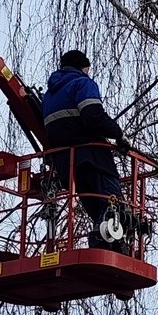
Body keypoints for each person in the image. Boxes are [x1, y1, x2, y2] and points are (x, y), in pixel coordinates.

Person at [42, 49, 131, 250]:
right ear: (84, 67)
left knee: (96, 207)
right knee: (113, 207)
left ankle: (104, 242)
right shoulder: (82, 83)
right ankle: (109, 245)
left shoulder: (49, 96)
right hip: (92, 157)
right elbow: (93, 116)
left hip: (67, 165)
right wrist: (119, 135)